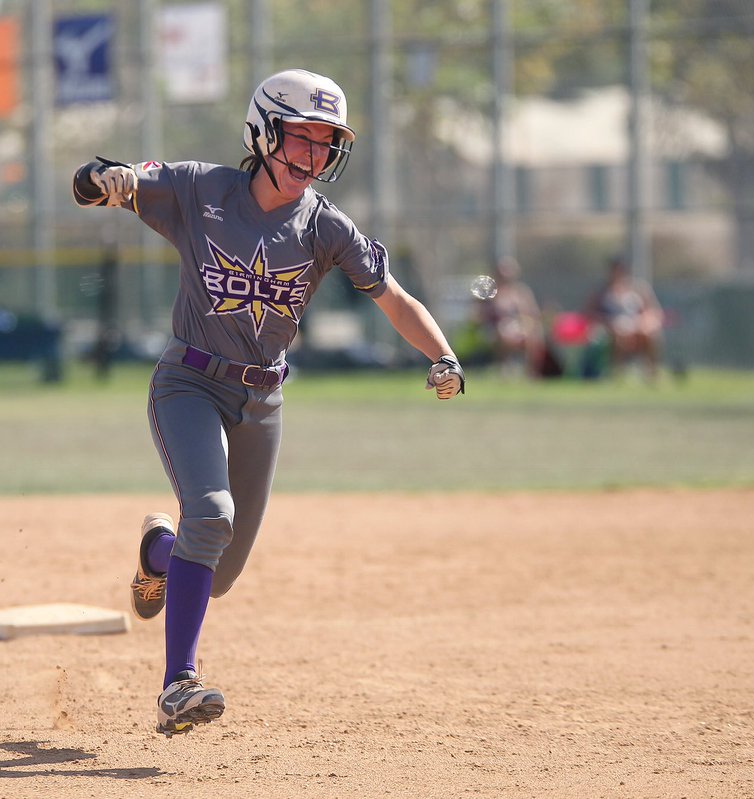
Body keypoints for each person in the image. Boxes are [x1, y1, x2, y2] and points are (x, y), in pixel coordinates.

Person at [71, 68, 465, 737]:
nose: (313, 158)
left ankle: (158, 553)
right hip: (188, 382)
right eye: (301, 139)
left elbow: (392, 295)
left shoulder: (326, 226)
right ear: (263, 132)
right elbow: (106, 178)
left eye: (325, 144)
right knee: (213, 512)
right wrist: (101, 178)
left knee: (216, 571)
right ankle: (178, 685)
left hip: (263, 400)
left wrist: (443, 354)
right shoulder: (202, 188)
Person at [585, 255, 665, 380]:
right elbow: (590, 313)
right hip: (612, 329)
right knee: (619, 334)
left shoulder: (639, 289)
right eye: (616, 269)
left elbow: (653, 312)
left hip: (637, 328)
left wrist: (642, 323)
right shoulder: (601, 292)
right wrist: (608, 322)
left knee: (649, 335)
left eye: (621, 269)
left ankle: (651, 373)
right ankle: (617, 372)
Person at [477, 255, 545, 378]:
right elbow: (481, 316)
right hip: (496, 330)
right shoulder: (491, 294)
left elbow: (532, 313)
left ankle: (532, 373)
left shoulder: (520, 292)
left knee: (533, 335)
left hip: (519, 328)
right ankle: (505, 369)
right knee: (503, 332)